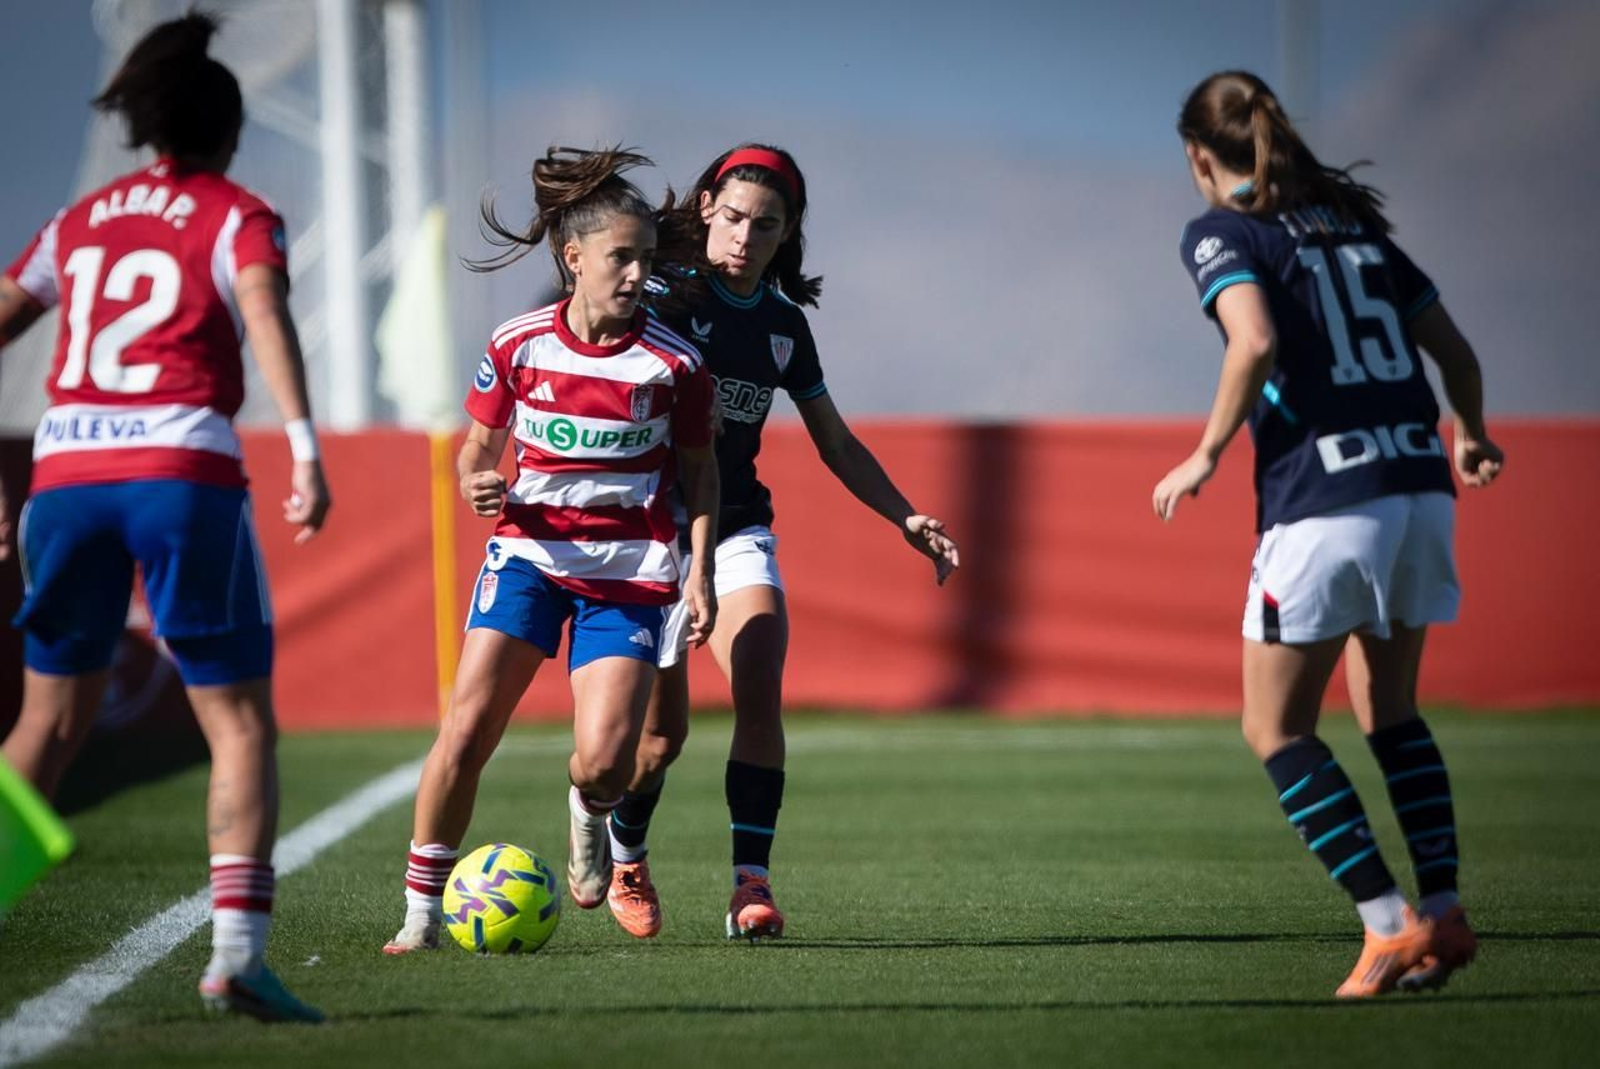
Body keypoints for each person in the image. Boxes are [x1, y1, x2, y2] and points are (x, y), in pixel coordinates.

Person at [0, 14, 330, 1021]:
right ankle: (236, 958)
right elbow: (266, 313)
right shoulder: (238, 212)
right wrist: (307, 447)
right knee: (236, 723)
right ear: (229, 133)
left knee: (45, 723)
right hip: (180, 473)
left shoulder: (81, 220)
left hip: (65, 478)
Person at [1152, 71, 1503, 998]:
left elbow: (1255, 339)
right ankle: (1446, 908)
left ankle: (1388, 926)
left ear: (1198, 155)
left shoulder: (1226, 231)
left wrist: (1205, 452)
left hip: (1326, 498)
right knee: (1391, 711)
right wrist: (1468, 431)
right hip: (1420, 491)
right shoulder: (1360, 230)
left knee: (1274, 726)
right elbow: (1456, 355)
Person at [595, 144, 960, 942]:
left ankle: (749, 885)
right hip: (649, 529)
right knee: (659, 739)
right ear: (705, 210)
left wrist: (905, 516)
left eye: (766, 224)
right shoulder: (659, 294)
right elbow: (596, 372)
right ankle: (625, 851)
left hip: (733, 524)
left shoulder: (784, 327)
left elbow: (835, 441)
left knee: (760, 679)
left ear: (787, 232)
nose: (745, 235)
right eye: (732, 216)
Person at [383, 147, 718, 952]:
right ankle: (422, 915)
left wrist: (698, 570)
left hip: (629, 575)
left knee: (606, 764)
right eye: (620, 257)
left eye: (644, 257)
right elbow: (475, 452)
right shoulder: (518, 345)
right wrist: (476, 482)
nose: (638, 273)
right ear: (574, 259)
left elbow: (701, 474)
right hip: (529, 560)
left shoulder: (675, 362)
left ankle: (586, 812)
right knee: (464, 733)